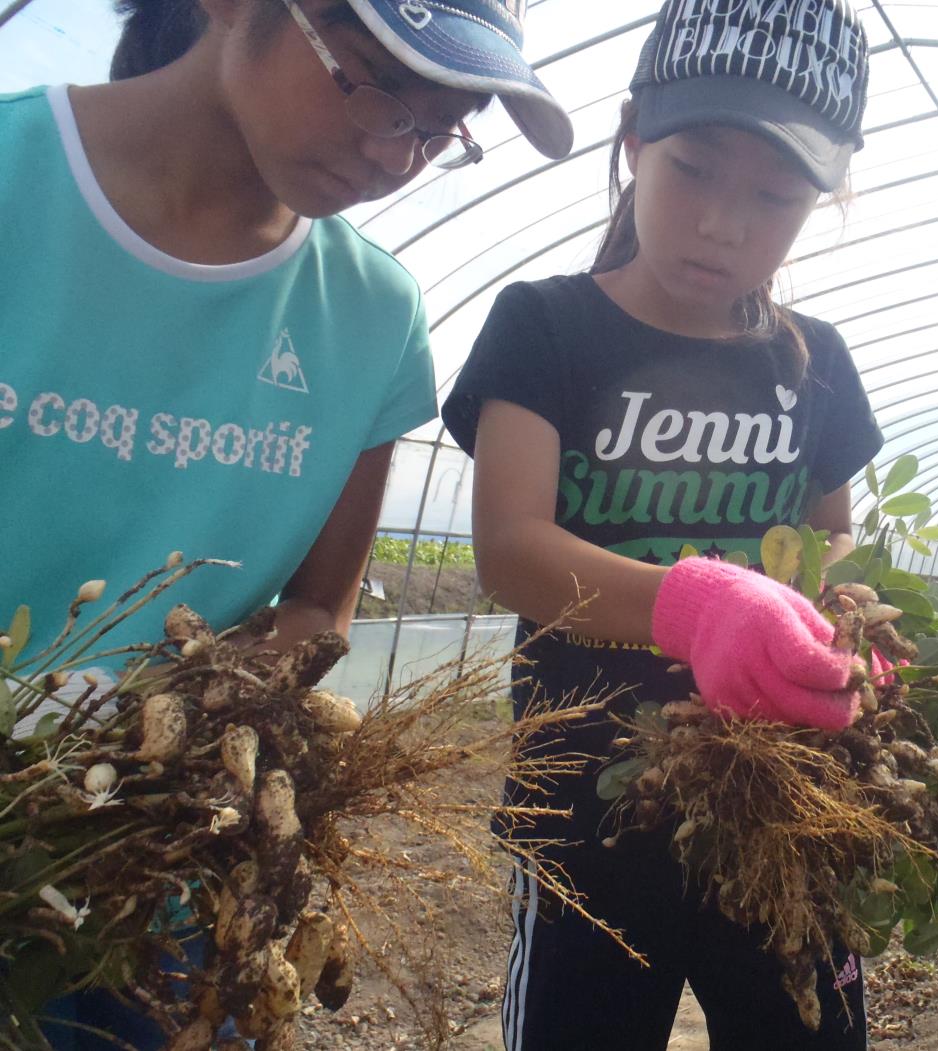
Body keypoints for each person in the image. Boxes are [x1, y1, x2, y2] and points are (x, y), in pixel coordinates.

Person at [2, 0, 570, 1046]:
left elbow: (317, 610)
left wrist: (185, 733)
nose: (395, 154)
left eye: (439, 128)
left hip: (169, 866)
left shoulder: (371, 314)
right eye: (373, 86)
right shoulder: (15, 180)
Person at [441, 1, 881, 1047]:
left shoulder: (814, 360)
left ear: (823, 199)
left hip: (778, 804)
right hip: (587, 812)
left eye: (775, 196)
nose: (724, 223)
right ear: (634, 138)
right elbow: (510, 548)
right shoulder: (546, 325)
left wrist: (845, 626)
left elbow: (835, 544)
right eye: (694, 170)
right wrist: (693, 606)